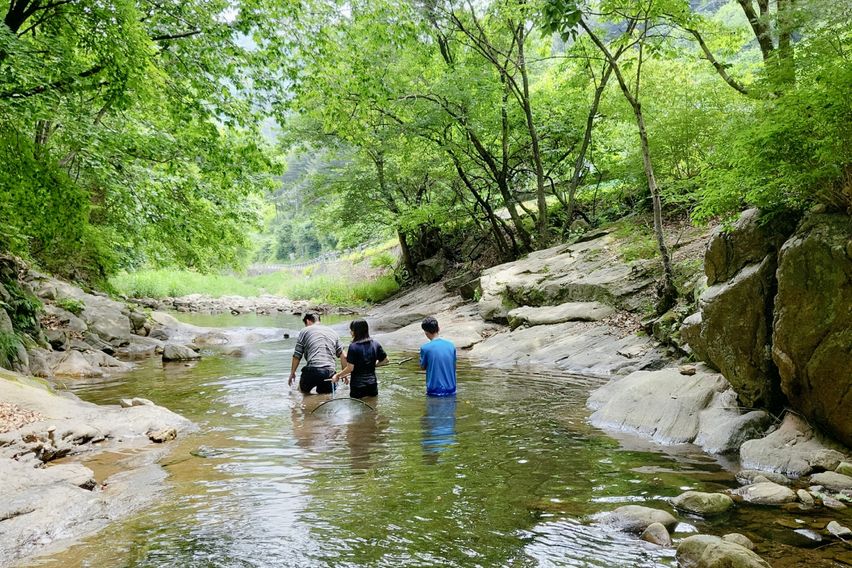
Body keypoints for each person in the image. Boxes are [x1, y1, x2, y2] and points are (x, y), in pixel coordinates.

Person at [289, 313, 344, 394]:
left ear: (307, 321)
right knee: (326, 397)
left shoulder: (305, 331)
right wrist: (343, 374)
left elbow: (297, 355)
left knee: (302, 393)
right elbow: (344, 356)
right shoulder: (333, 332)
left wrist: (292, 373)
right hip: (329, 372)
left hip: (312, 370)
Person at [333, 319, 388, 399]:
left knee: (357, 409)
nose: (350, 332)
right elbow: (386, 360)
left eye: (351, 330)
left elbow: (350, 368)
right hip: (372, 385)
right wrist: (373, 365)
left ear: (356, 331)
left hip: (358, 386)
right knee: (373, 408)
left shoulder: (353, 346)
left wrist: (338, 375)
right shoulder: (375, 344)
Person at [419, 316, 457, 396]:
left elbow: (422, 367)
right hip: (452, 390)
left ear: (426, 332)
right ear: (438, 328)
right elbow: (454, 366)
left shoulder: (425, 348)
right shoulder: (451, 346)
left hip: (434, 391)